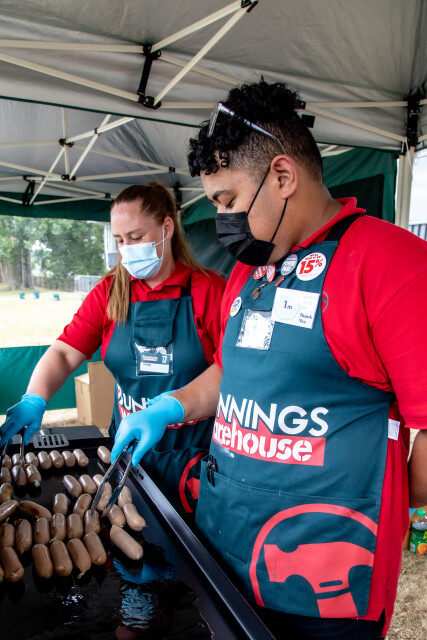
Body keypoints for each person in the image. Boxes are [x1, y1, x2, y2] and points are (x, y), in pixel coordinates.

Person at [109, 82, 427, 640]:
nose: (222, 219)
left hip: (324, 584)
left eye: (228, 200)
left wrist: (397, 496)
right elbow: (230, 370)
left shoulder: (394, 264)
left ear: (282, 176)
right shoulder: (248, 271)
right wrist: (170, 406)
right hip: (228, 547)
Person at [0, 181, 226, 515]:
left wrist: (169, 408)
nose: (127, 249)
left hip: (195, 459)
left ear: (166, 228)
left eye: (136, 237)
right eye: (120, 240)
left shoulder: (210, 290)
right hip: (125, 452)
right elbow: (64, 352)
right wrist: (35, 397)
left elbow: (233, 370)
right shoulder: (109, 292)